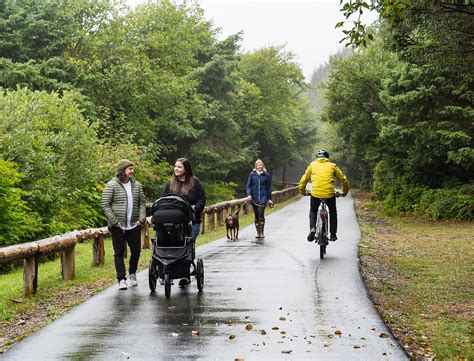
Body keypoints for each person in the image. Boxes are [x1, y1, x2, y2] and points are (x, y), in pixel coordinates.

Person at [101, 159, 146, 290]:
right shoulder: (112, 185)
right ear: (122, 171)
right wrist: (114, 222)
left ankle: (132, 273)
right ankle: (121, 279)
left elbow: (142, 203)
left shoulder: (137, 185)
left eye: (132, 168)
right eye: (129, 169)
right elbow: (105, 205)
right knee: (119, 252)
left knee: (136, 251)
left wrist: (142, 219)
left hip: (133, 225)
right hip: (118, 226)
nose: (132, 171)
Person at [162, 158, 206, 287]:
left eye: (179, 167)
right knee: (174, 244)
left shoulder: (195, 183)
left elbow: (201, 200)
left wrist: (194, 209)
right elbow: (163, 200)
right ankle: (169, 270)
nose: (176, 169)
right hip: (174, 221)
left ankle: (185, 274)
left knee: (188, 244)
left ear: (186, 169)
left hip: (192, 220)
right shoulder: (170, 184)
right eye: (175, 166)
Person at [299, 149, 349, 243]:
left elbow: (303, 180)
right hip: (329, 194)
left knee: (313, 210)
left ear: (317, 158)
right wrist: (344, 192)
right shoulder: (332, 166)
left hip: (315, 194)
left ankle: (312, 228)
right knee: (332, 211)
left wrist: (303, 192)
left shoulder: (312, 165)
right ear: (327, 158)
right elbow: (343, 179)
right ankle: (333, 234)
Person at [246, 159, 273, 238]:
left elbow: (268, 187)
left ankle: (262, 232)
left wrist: (269, 198)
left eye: (261, 165)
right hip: (254, 197)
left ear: (263, 166)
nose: (259, 166)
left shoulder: (266, 175)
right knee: (256, 215)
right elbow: (248, 186)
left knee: (261, 213)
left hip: (263, 196)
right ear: (256, 166)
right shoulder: (252, 174)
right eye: (258, 165)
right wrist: (248, 194)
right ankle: (258, 232)